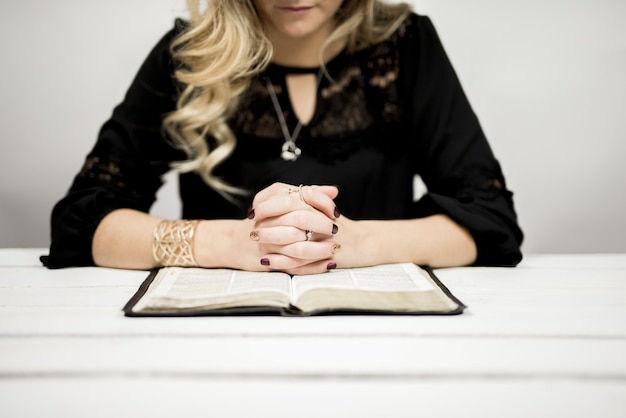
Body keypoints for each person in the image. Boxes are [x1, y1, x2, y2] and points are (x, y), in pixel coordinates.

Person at [41, 0, 524, 275]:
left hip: (384, 344)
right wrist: (228, 243)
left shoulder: (407, 46)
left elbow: (490, 222)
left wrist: (352, 243)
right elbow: (83, 223)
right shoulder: (188, 56)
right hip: (211, 344)